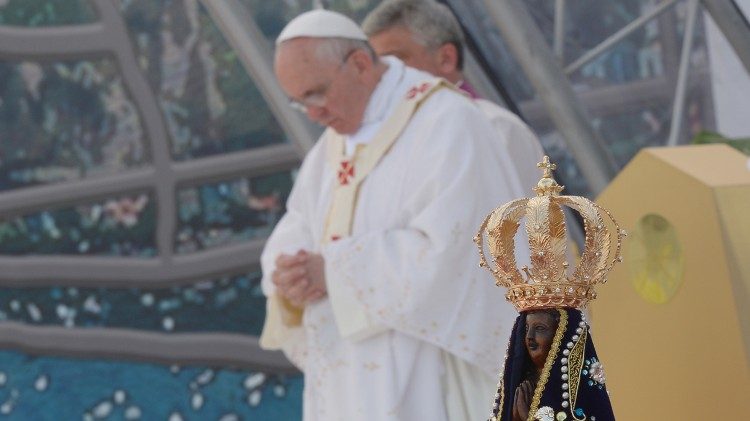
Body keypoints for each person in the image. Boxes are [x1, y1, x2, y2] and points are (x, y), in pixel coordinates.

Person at [259, 9, 527, 421]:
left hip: (430, 372)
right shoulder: (329, 150)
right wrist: (287, 275)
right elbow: (296, 228)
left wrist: (333, 273)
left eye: (316, 93)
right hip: (351, 382)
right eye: (299, 103)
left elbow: (456, 253)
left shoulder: (447, 122)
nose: (313, 114)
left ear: (361, 65)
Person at [474, 156, 620, 421]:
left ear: (562, 333)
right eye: (527, 330)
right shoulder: (521, 384)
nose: (529, 338)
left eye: (540, 329)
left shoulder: (581, 396)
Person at [362, 0, 546, 192]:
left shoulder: (496, 127)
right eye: (379, 67)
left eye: (394, 62)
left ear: (446, 59)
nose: (382, 78)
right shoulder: (393, 143)